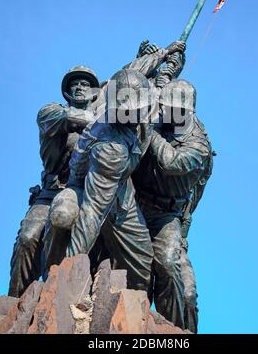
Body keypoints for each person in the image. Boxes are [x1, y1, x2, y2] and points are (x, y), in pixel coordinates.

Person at [43, 41, 186, 292]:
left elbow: (140, 73)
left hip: (123, 190)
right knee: (64, 217)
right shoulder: (110, 145)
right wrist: (65, 280)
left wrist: (168, 57)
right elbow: (92, 213)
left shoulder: (143, 105)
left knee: (141, 265)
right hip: (90, 187)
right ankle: (55, 279)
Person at [8, 66, 100, 297]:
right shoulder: (51, 112)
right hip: (51, 192)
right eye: (75, 84)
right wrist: (104, 119)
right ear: (67, 92)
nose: (79, 87)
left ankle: (55, 289)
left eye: (85, 84)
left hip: (87, 194)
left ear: (94, 91)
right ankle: (16, 301)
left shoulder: (105, 119)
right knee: (27, 239)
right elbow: (71, 118)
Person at [132, 79, 213, 331]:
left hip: (166, 215)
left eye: (170, 108)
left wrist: (150, 131)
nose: (164, 111)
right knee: (136, 270)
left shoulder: (199, 146)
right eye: (163, 106)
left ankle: (172, 330)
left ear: (187, 111)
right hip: (135, 204)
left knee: (168, 265)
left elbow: (172, 162)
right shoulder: (160, 117)